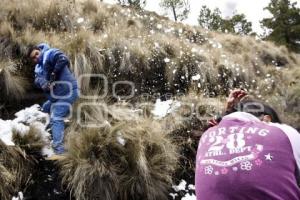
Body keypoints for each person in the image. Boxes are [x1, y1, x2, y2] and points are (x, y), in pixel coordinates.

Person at [195, 89, 300, 200]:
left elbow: (225, 126)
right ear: (267, 119)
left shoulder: (206, 136)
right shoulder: (283, 132)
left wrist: (228, 112)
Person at [27, 43, 79, 160]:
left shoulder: (49, 53)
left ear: (39, 50)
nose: (36, 58)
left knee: (56, 115)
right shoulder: (38, 68)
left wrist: (53, 73)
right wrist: (42, 83)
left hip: (69, 91)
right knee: (45, 108)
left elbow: (62, 58)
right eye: (33, 58)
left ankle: (59, 150)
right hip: (56, 97)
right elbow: (37, 80)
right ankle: (52, 133)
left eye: (36, 54)